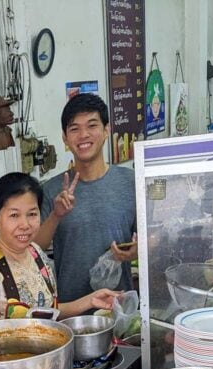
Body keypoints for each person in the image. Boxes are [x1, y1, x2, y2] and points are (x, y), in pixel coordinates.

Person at [0, 172, 118, 330]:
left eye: (32, 214)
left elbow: (48, 313)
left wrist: (90, 300)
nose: (25, 225)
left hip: (44, 355)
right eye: (14, 215)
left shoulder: (35, 252)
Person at [36, 93, 138, 303]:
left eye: (92, 125)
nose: (83, 135)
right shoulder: (51, 189)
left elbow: (151, 238)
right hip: (71, 312)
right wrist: (56, 215)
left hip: (119, 306)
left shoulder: (130, 182)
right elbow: (34, 248)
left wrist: (138, 252)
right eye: (74, 129)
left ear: (107, 130)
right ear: (65, 138)